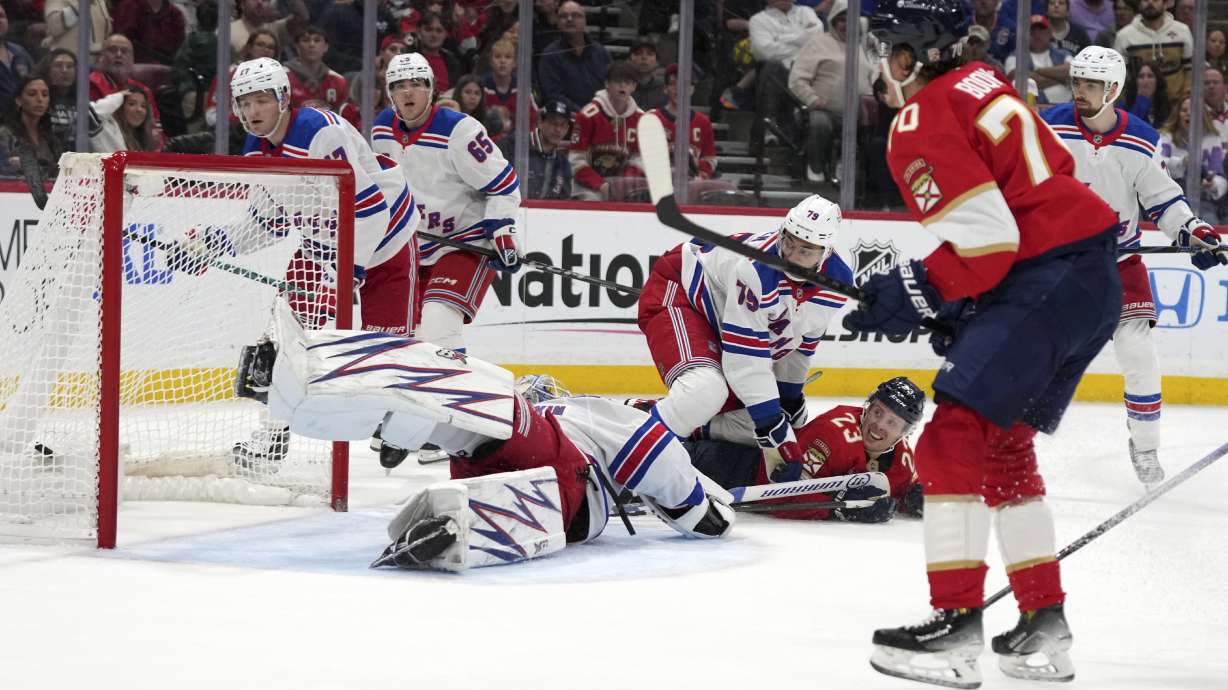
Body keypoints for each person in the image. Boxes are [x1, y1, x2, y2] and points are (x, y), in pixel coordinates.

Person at [851, 2, 1127, 686]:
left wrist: (916, 290)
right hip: (1092, 278)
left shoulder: (915, 119)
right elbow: (1053, 167)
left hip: (1047, 275)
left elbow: (989, 240)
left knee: (948, 440)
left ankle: (954, 627)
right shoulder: (985, 81)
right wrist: (971, 302)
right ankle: (1044, 626)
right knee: (1002, 449)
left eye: (884, 48)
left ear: (908, 57)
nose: (877, 62)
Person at [236, 310, 734, 571]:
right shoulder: (546, 418)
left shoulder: (576, 411)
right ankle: (458, 518)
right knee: (456, 407)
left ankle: (323, 375)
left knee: (474, 395)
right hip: (542, 495)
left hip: (569, 485)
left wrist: (692, 502)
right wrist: (694, 511)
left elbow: (652, 449)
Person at [215, 57, 419, 464]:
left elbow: (371, 210)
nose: (253, 112)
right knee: (287, 336)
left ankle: (405, 426)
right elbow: (268, 222)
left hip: (384, 241)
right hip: (322, 245)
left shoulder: (318, 133)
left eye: (261, 100)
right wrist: (214, 244)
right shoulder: (255, 149)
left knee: (387, 348)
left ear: (283, 98)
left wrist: (350, 272)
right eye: (245, 103)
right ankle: (272, 435)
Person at [1042, 47, 1225, 488]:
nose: (1079, 91)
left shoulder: (1141, 139)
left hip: (1116, 263)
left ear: (1114, 90)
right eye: (1077, 82)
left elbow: (1163, 201)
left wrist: (1191, 232)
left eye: (1090, 84)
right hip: (1056, 265)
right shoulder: (1049, 127)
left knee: (1140, 355)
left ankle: (1144, 447)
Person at [637, 194, 852, 486]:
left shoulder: (839, 282)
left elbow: (800, 344)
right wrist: (772, 426)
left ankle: (644, 418)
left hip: (726, 320)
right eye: (788, 241)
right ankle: (631, 460)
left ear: (825, 253)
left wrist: (788, 400)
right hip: (683, 294)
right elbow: (745, 360)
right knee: (706, 391)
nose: (791, 254)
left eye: (806, 250)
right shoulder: (755, 269)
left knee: (783, 420)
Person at [370, 52, 520, 471]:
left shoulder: (460, 131)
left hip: (464, 244)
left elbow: (504, 182)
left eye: (417, 84)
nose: (408, 92)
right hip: (411, 248)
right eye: (399, 86)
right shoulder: (382, 129)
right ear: (390, 93)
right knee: (403, 338)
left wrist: (503, 229)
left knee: (437, 326)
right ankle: (417, 421)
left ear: (432, 89)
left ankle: (439, 421)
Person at [687, 376, 927, 523]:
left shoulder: (902, 460)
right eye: (877, 413)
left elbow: (898, 494)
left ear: (904, 434)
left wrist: (914, 499)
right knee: (673, 457)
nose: (878, 426)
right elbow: (782, 492)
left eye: (892, 423)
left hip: (746, 459)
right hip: (735, 469)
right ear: (868, 408)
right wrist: (839, 510)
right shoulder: (833, 434)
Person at [788, 0, 874, 183]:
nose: (846, 25)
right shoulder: (818, 43)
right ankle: (815, 166)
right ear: (834, 22)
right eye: (841, 20)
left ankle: (845, 166)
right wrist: (812, 99)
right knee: (819, 122)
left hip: (858, 113)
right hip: (824, 110)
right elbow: (796, 79)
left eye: (851, 20)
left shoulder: (866, 46)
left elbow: (875, 77)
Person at [570, 60, 644, 201]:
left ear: (634, 86)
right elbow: (576, 160)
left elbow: (639, 158)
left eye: (627, 82)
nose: (622, 86)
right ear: (607, 84)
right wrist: (600, 184)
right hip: (588, 185)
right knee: (591, 201)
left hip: (623, 184)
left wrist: (624, 182)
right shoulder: (588, 115)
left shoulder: (641, 119)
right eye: (617, 81)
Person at [1158, 98, 1228, 224]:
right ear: (1177, 114)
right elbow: (1159, 165)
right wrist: (1182, 163)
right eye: (1184, 110)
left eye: (1193, 110)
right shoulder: (1166, 136)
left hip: (1202, 200)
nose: (1188, 113)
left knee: (1210, 221)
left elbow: (1219, 176)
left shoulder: (1212, 139)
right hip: (1169, 199)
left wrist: (1212, 184)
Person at [536, 1, 612, 110]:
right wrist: (583, 114)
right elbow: (553, 95)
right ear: (557, 21)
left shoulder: (601, 52)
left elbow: (610, 87)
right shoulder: (550, 55)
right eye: (564, 16)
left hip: (600, 116)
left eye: (576, 15)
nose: (569, 19)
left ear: (584, 21)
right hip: (566, 120)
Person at [498, 96, 574, 200]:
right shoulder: (513, 145)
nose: (558, 129)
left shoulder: (563, 163)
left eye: (563, 125)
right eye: (553, 123)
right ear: (540, 122)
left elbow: (563, 201)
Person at [1113, 0, 1192, 99]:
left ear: (1165, 3)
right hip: (1137, 105)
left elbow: (1190, 70)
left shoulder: (1182, 31)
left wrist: (1185, 99)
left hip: (1176, 104)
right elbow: (1117, 76)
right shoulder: (1124, 35)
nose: (1150, 2)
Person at [283, 26, 354, 125]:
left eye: (317, 40)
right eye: (305, 40)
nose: (312, 45)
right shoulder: (283, 77)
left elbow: (344, 118)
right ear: (296, 46)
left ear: (326, 47)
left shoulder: (338, 81)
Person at [0, 76, 63, 179]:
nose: (40, 99)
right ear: (19, 100)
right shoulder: (5, 134)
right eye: (32, 94)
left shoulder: (52, 140)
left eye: (45, 95)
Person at [1004, 15, 1073, 107]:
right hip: (1033, 109)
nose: (1037, 35)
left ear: (1049, 33)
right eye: (1032, 31)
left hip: (1065, 108)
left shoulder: (1063, 54)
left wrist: (1037, 71)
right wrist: (1062, 79)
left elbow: (1072, 71)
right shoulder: (1015, 57)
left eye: (1041, 30)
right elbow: (1021, 81)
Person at [113, 0, 186, 65]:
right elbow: (120, 44)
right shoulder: (129, 6)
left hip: (166, 72)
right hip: (132, 69)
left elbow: (180, 52)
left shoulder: (175, 15)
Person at [89, 86, 161, 153]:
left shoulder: (142, 139)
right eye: (132, 104)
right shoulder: (108, 127)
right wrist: (118, 97)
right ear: (120, 107)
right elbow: (90, 113)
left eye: (143, 106)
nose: (139, 109)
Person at [36, 48, 77, 150]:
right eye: (58, 66)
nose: (64, 70)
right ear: (47, 70)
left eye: (70, 66)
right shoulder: (38, 100)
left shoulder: (83, 100)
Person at [1121, 60, 1170, 126]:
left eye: (1150, 76)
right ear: (1135, 81)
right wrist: (1142, 99)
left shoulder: (1167, 104)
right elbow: (1133, 126)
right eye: (1141, 76)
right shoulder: (1124, 105)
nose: (1146, 81)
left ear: (1157, 81)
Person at [627, 39, 666, 112]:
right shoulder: (620, 88)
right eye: (638, 53)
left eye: (650, 54)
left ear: (657, 62)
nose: (644, 57)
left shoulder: (665, 91)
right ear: (628, 60)